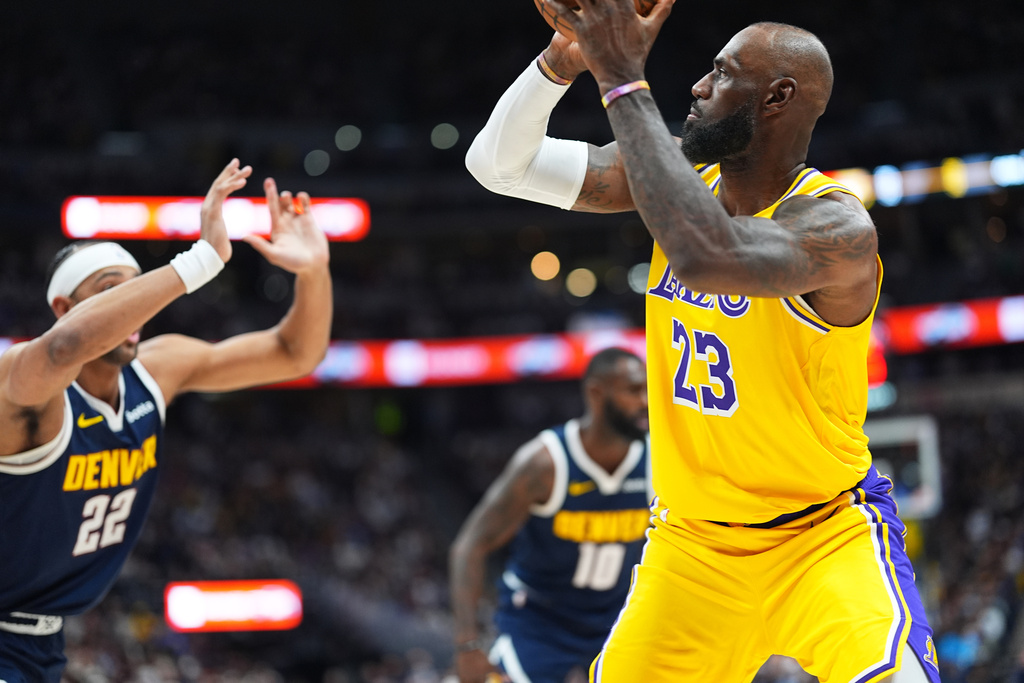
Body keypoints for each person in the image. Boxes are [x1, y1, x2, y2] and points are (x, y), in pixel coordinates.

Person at [463, 3, 940, 682]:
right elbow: (495, 165)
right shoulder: (679, 185)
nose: (696, 86)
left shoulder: (837, 227)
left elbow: (703, 253)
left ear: (777, 97)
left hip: (821, 535)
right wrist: (562, 62)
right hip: (692, 548)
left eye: (721, 74)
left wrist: (622, 75)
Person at [0, 159, 332, 683]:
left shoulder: (157, 369)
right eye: (113, 291)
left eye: (138, 290)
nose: (136, 310)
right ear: (64, 306)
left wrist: (314, 273)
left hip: (45, 640)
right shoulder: (24, 383)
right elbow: (64, 347)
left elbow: (294, 353)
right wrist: (200, 260)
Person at [449, 347, 651, 683]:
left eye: (647, 389)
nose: (646, 401)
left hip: (617, 621)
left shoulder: (657, 459)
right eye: (633, 390)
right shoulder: (545, 463)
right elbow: (469, 545)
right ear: (596, 393)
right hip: (540, 623)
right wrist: (467, 644)